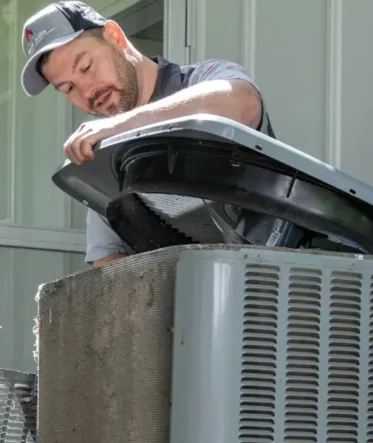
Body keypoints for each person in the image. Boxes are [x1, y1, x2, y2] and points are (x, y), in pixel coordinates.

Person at [20, 0, 276, 267]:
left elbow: (242, 103)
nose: (87, 92)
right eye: (69, 88)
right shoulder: (106, 155)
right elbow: (106, 260)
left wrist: (120, 126)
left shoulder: (204, 80)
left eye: (86, 67)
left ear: (114, 36)